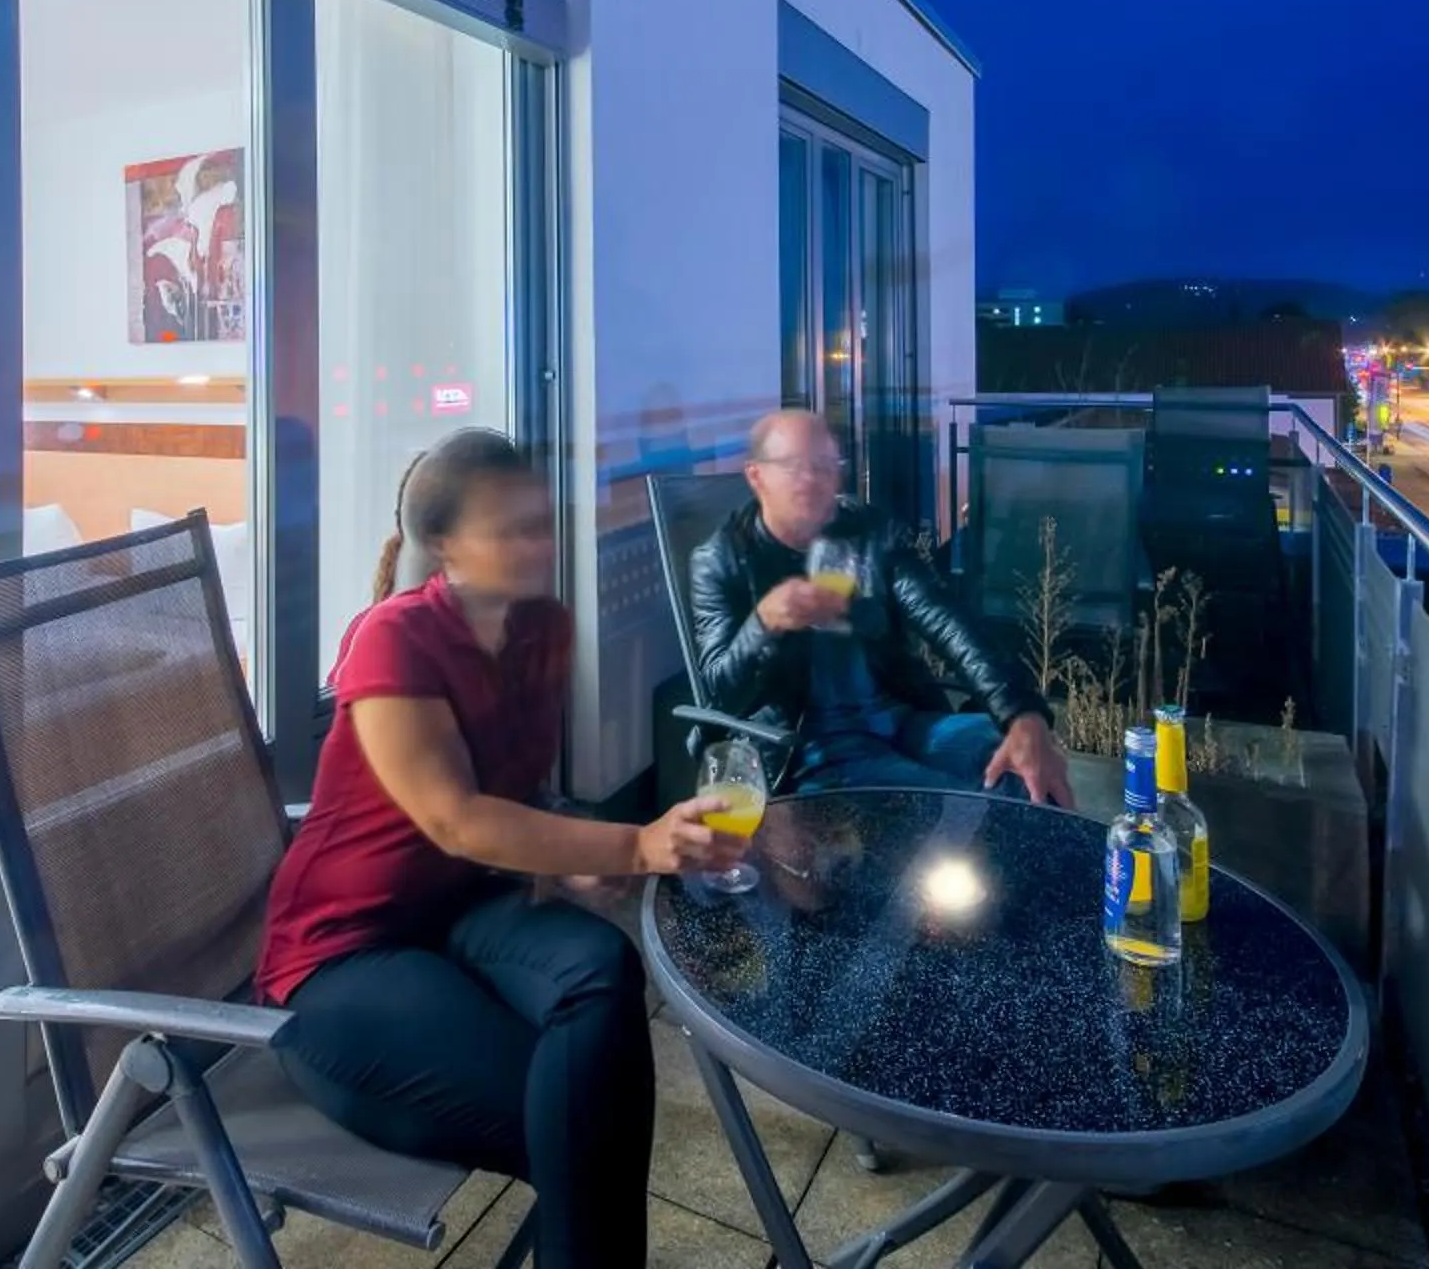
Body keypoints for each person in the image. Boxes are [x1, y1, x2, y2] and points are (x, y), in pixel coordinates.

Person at [259, 431, 726, 1269]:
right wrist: (637, 843)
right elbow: (456, 819)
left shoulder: (543, 629)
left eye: (540, 524)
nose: (538, 545)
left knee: (602, 967)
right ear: (445, 545)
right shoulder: (393, 637)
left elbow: (516, 791)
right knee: (586, 1113)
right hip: (343, 955)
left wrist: (564, 854)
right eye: (509, 530)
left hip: (460, 912)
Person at [689, 409, 1075, 806]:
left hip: (901, 721)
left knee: (1022, 763)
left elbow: (946, 620)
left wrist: (1020, 713)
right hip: (810, 749)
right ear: (756, 476)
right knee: (961, 802)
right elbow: (721, 694)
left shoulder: (867, 531)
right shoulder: (721, 560)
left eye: (824, 466)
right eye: (793, 466)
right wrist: (764, 622)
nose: (811, 480)